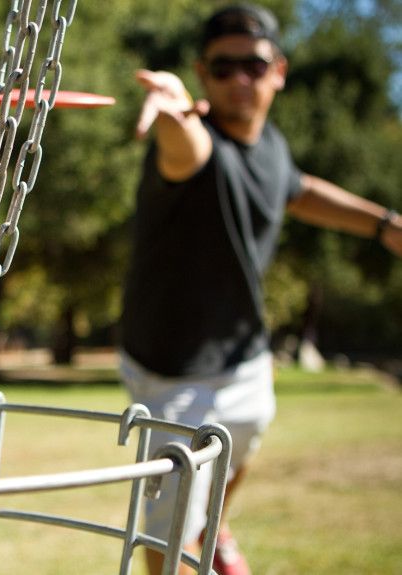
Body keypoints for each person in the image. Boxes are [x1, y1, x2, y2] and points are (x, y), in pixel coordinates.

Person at [121, 4, 402, 575]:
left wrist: (383, 224)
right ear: (203, 75)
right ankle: (196, 531)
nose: (239, 79)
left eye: (253, 64)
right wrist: (174, 112)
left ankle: (214, 522)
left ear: (279, 70)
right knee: (167, 536)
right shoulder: (195, 142)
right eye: (222, 69)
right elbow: (185, 147)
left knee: (241, 446)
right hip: (172, 369)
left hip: (246, 354)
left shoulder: (271, 147)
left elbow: (298, 190)